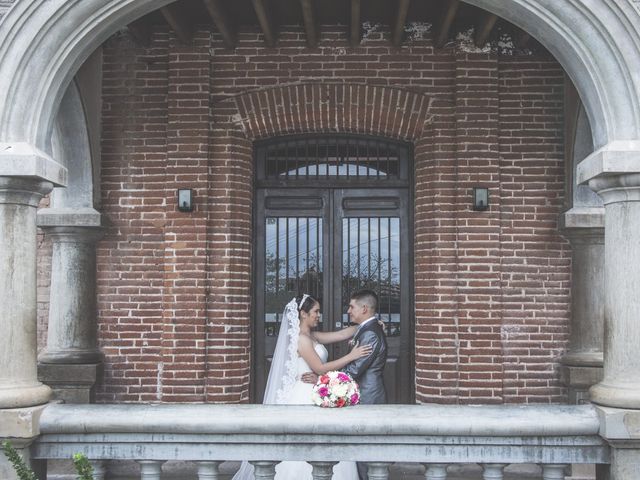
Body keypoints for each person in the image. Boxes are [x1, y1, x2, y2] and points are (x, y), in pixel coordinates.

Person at [231, 294, 370, 480]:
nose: (319, 315)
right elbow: (319, 368)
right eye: (316, 311)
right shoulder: (301, 339)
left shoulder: (312, 336)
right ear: (303, 314)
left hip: (316, 390)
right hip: (305, 395)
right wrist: (351, 356)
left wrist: (369, 324)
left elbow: (342, 334)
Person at [342, 289, 388, 480]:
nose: (348, 311)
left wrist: (323, 378)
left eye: (352, 307)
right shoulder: (367, 329)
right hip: (366, 393)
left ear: (365, 309)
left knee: (365, 450)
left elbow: (354, 370)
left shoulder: (370, 334)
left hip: (368, 395)